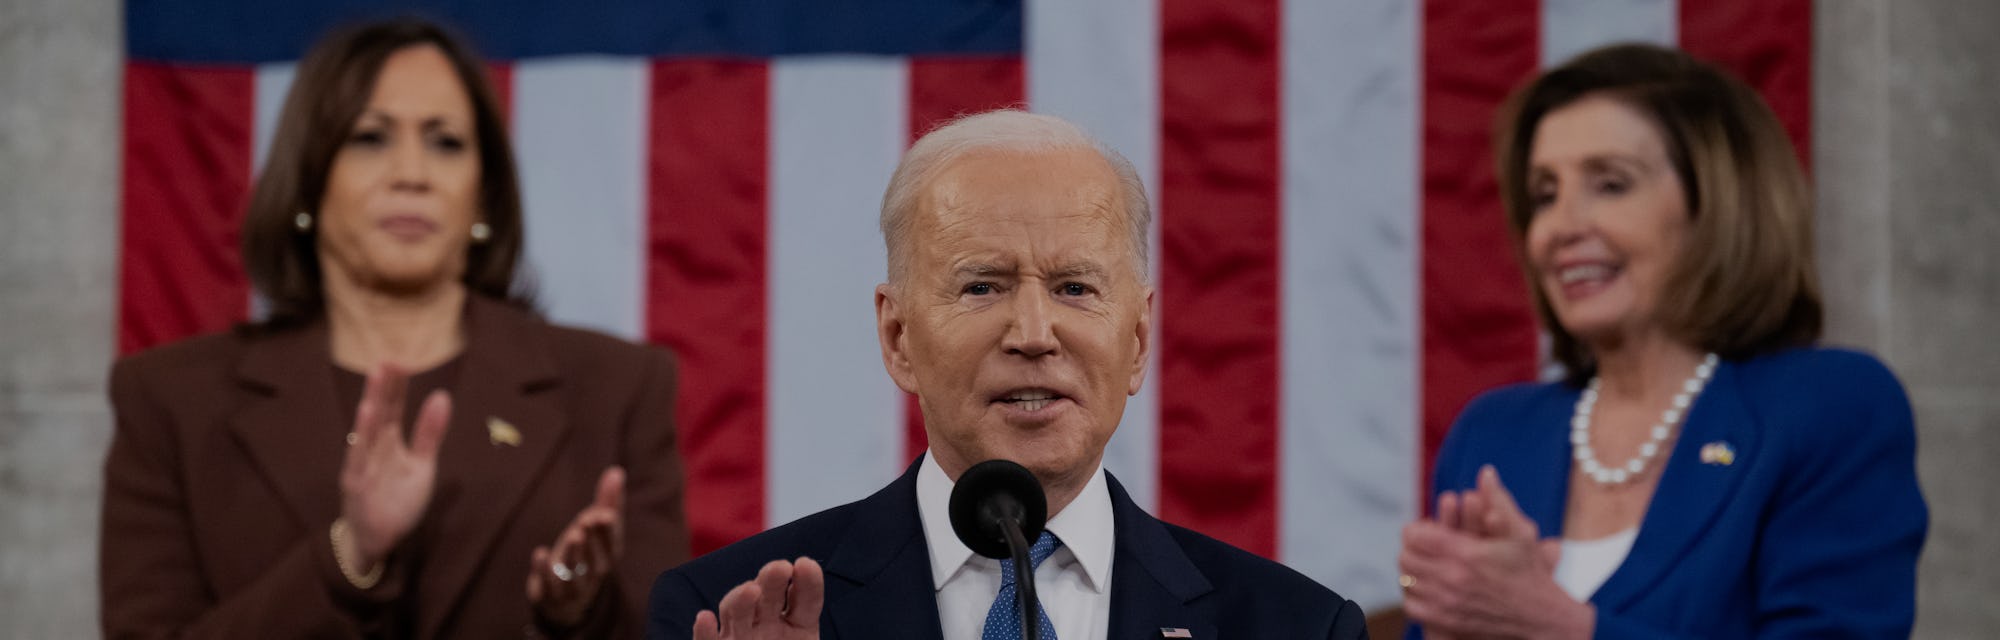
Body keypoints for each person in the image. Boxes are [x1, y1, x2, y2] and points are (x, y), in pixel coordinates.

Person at [645, 110, 1368, 639]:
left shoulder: (1297, 625)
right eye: (982, 287)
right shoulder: (720, 612)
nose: (1032, 335)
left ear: (1139, 340)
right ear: (898, 338)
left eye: (1075, 288)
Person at [101, 18, 688, 639]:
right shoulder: (171, 401)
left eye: (446, 143)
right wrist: (348, 557)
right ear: (308, 181)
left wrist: (576, 612)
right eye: (370, 138)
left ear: (483, 196)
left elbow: (668, 630)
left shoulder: (616, 389)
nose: (412, 172)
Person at [1395, 43, 1926, 638]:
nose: (1562, 227)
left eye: (1611, 185)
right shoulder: (1495, 434)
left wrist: (1563, 629)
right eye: (1545, 194)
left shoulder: (1827, 405)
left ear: (1717, 207)